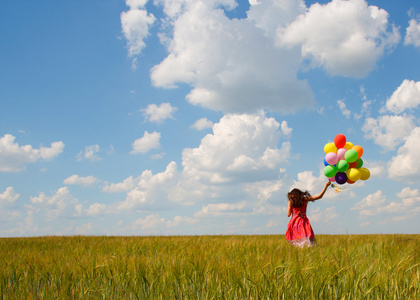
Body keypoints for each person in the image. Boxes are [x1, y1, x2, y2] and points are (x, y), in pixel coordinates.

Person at [285, 181, 331, 247]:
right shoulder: (305, 199)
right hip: (303, 222)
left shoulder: (291, 201)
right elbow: (319, 196)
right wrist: (326, 186)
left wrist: (289, 204)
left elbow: (288, 214)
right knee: (306, 238)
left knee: (296, 241)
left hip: (294, 223)